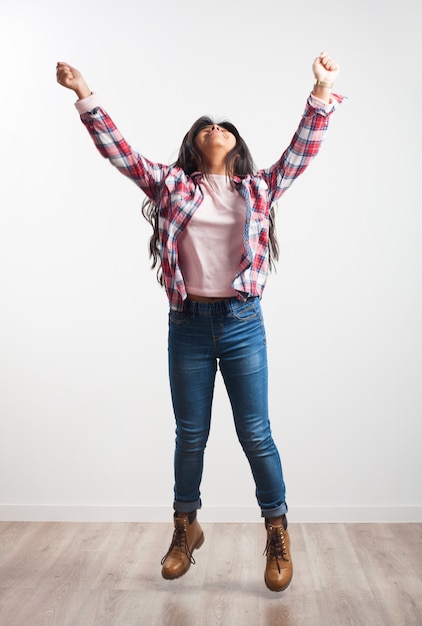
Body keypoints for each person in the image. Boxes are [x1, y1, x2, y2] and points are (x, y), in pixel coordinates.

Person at [56, 53, 342, 592]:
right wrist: (84, 92)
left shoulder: (257, 189)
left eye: (226, 127)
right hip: (186, 324)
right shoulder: (170, 186)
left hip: (240, 323)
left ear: (235, 145)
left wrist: (322, 90)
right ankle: (185, 528)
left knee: (255, 433)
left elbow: (301, 152)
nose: (216, 129)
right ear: (195, 144)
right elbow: (120, 153)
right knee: (191, 435)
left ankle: (277, 531)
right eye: (207, 126)